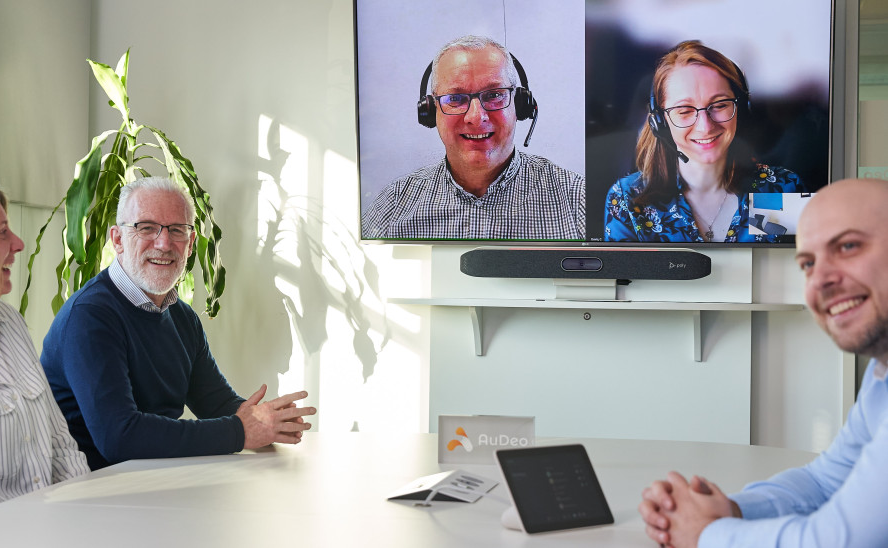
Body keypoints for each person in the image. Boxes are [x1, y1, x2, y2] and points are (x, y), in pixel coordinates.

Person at [639, 177, 888, 547]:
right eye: (807, 263)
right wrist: (729, 511)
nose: (819, 280)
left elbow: (841, 541)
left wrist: (706, 534)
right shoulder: (881, 373)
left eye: (848, 246)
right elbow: (824, 482)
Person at [41, 177, 316, 470]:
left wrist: (267, 421)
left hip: (151, 483)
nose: (164, 243)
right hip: (89, 495)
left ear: (191, 243)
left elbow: (215, 402)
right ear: (117, 240)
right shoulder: (89, 317)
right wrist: (241, 430)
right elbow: (119, 438)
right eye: (146, 228)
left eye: (177, 230)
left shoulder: (182, 317)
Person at [362, 35, 587, 240]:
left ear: (520, 105)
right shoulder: (394, 204)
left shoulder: (577, 200)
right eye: (455, 98)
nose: (476, 117)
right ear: (431, 111)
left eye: (494, 95)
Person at [604, 40, 808, 243]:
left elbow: (785, 271)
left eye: (719, 105)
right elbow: (628, 276)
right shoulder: (627, 199)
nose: (705, 126)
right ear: (661, 122)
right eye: (684, 111)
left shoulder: (779, 188)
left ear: (741, 110)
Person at [0, 179, 89, 508]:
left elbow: (59, 442)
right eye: (2, 233)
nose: (19, 243)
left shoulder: (10, 322)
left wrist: (86, 509)